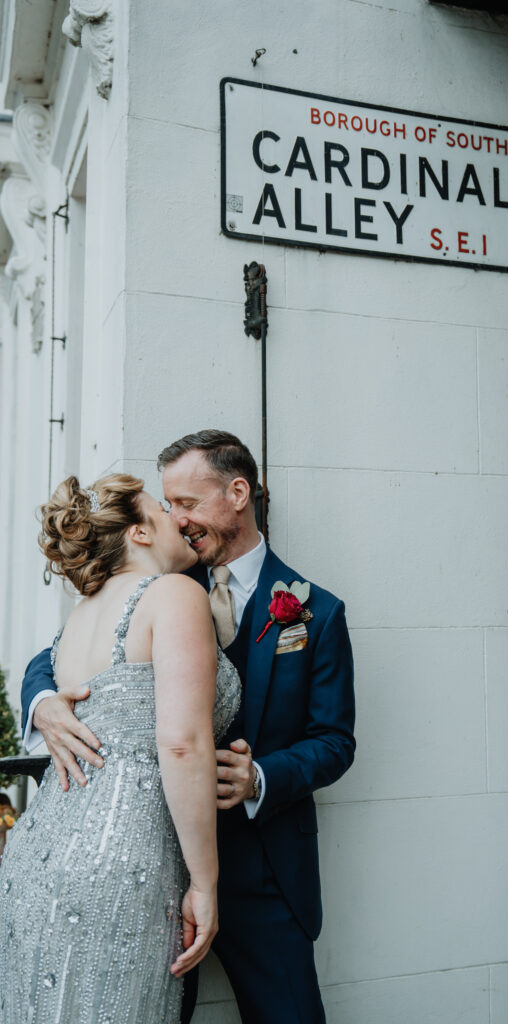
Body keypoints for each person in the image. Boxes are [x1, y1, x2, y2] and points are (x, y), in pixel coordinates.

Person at [21, 432, 356, 1024]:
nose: (178, 518)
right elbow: (55, 657)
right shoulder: (161, 582)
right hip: (146, 863)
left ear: (237, 492)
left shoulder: (315, 611)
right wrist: (43, 700)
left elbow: (334, 740)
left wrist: (258, 777)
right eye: (168, 505)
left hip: (263, 870)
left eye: (187, 502)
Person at [3, 473, 241, 1023]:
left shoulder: (78, 617)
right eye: (163, 509)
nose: (178, 518)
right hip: (120, 861)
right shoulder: (174, 595)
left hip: (40, 852)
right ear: (137, 533)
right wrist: (204, 884)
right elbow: (182, 744)